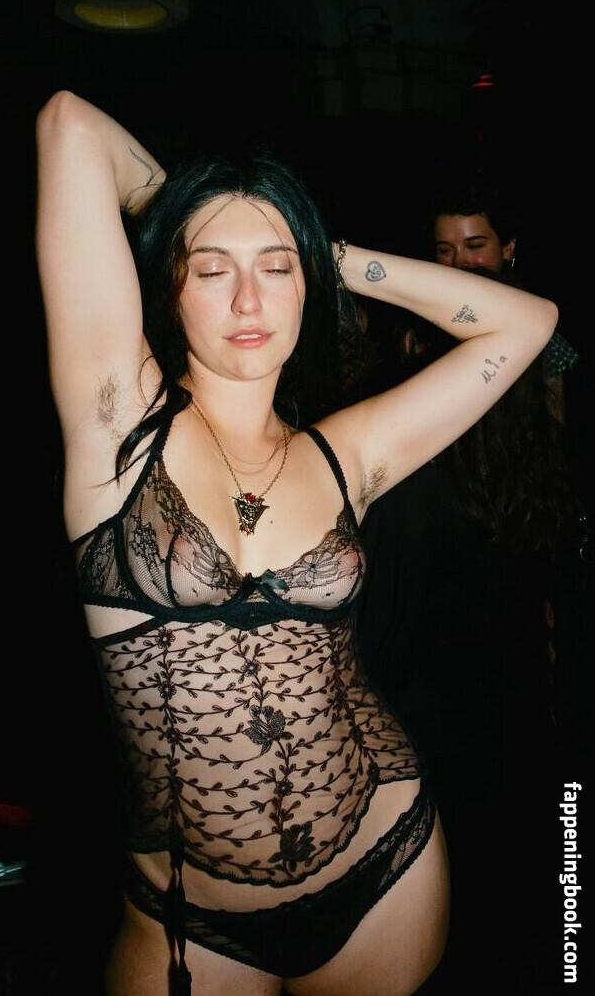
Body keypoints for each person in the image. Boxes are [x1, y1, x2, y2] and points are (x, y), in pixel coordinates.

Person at [34, 89, 557, 996]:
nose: (249, 298)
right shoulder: (117, 427)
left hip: (387, 861)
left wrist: (321, 247)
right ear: (169, 284)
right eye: (211, 269)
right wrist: (203, 208)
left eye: (277, 269)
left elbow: (528, 322)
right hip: (193, 921)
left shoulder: (346, 453)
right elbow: (68, 125)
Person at [355, 278, 579, 991]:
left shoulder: (415, 482)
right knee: (525, 916)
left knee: (451, 937)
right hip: (521, 721)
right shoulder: (541, 456)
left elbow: (382, 638)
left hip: (434, 740)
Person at [429, 180, 579, 422]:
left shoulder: (540, 329)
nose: (460, 262)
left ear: (508, 248)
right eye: (445, 250)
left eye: (475, 246)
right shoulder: (418, 331)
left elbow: (553, 426)